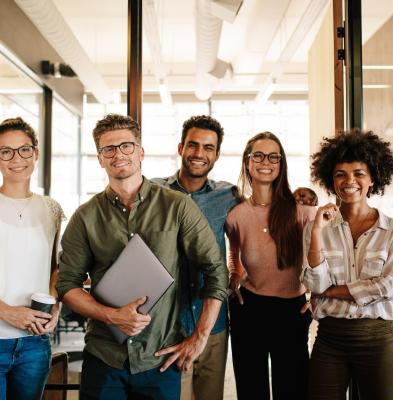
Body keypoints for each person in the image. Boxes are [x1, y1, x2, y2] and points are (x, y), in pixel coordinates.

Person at [56, 114, 229, 400]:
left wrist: (199, 337)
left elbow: (215, 271)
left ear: (141, 152)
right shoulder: (84, 217)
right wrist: (112, 316)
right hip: (104, 358)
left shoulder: (177, 206)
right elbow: (67, 285)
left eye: (126, 146)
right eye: (108, 149)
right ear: (99, 158)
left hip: (160, 359)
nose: (118, 154)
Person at [302, 130, 393, 400]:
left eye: (359, 173)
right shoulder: (317, 227)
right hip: (330, 338)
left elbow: (389, 287)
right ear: (331, 181)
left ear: (372, 179)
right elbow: (313, 283)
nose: (349, 181)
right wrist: (317, 232)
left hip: (377, 338)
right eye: (340, 174)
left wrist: (330, 292)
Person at [153, 115, 239, 400]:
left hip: (211, 322)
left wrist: (239, 272)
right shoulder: (154, 192)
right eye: (193, 145)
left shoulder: (229, 195)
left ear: (217, 154)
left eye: (208, 147)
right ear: (180, 148)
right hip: (167, 323)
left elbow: (250, 235)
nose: (199, 154)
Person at [225, 131, 315, 400]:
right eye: (259, 155)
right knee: (251, 389)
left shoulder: (302, 210)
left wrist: (318, 295)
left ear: (281, 162)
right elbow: (234, 252)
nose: (266, 162)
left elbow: (324, 259)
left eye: (273, 156)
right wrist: (233, 277)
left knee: (294, 388)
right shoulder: (236, 215)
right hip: (249, 308)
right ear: (247, 162)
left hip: (292, 309)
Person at [0, 117, 64, 400]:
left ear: (36, 153)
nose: (17, 159)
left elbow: (55, 268)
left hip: (35, 344)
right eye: (6, 151)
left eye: (24, 149)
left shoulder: (50, 208)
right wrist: (6, 311)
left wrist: (54, 307)